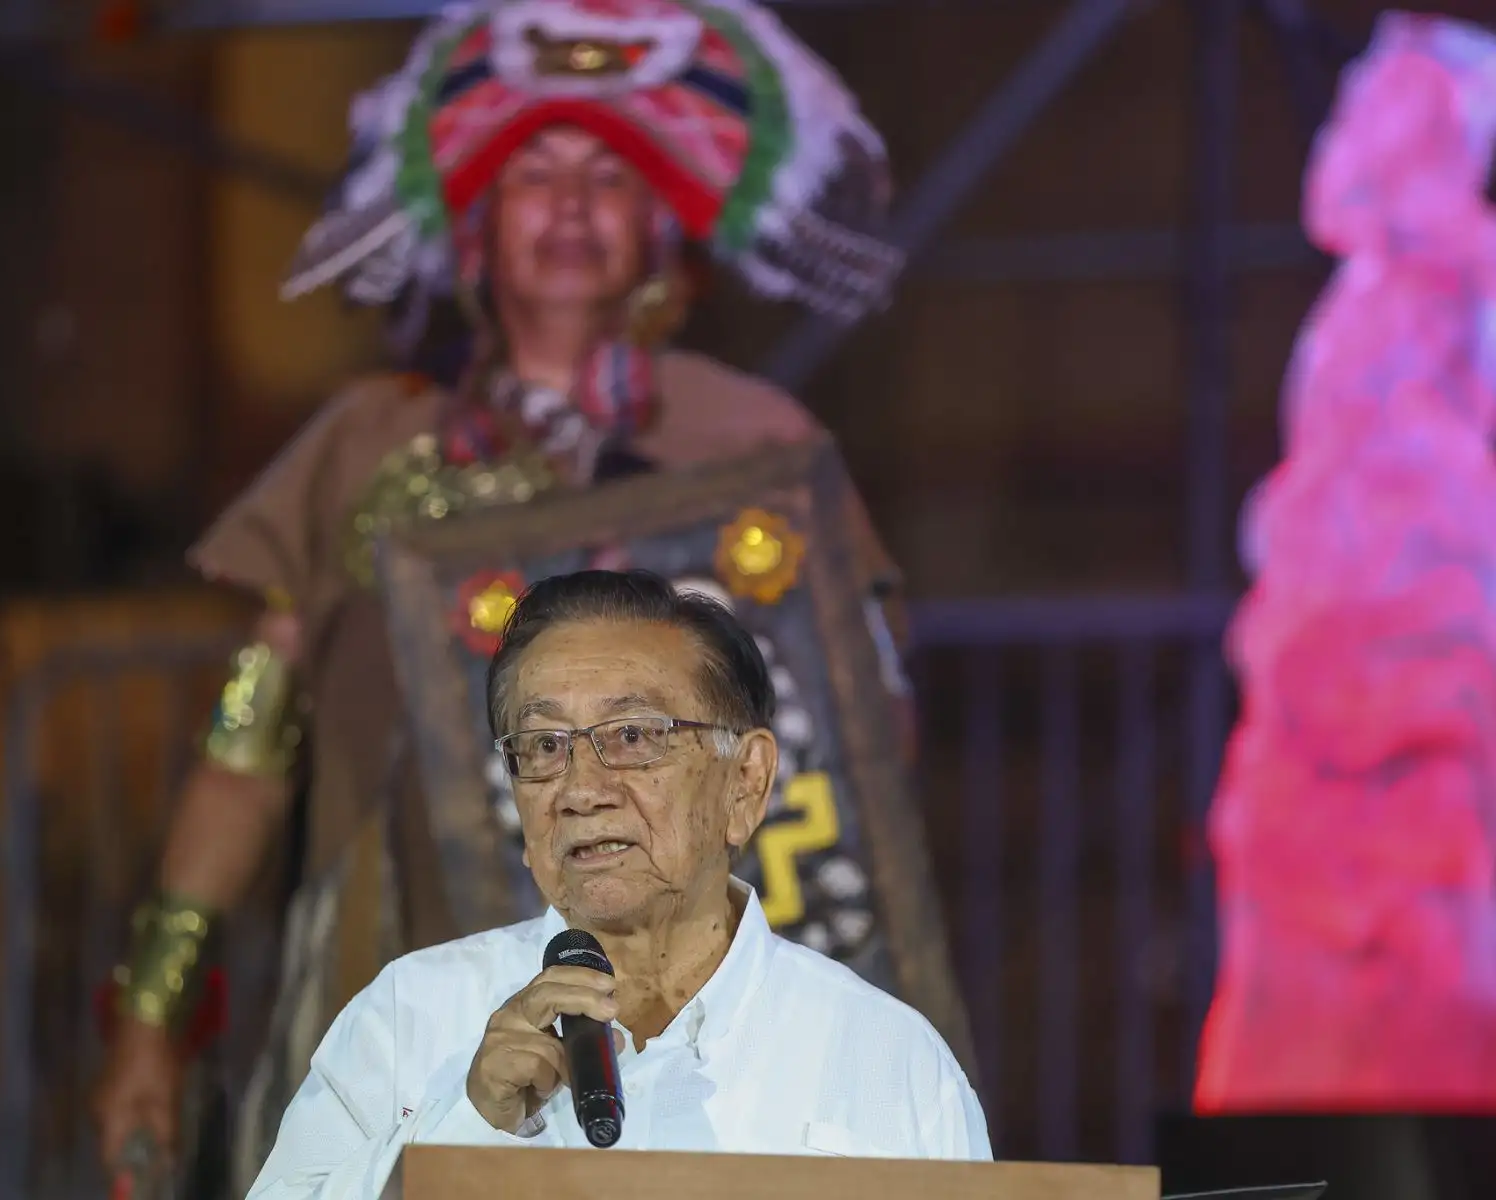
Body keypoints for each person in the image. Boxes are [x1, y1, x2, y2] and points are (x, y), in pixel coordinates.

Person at [92, 0, 917, 1187]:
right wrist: (150, 1012)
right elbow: (247, 749)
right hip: (399, 973)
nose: (572, 209)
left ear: (661, 226)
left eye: (609, 178)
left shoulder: (752, 446)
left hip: (689, 1033)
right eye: (535, 175)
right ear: (475, 224)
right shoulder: (366, 449)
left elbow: (863, 747)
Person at [245, 571, 989, 1200]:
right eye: (543, 746)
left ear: (747, 782)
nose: (581, 789)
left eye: (633, 737)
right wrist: (463, 1125)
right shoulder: (412, 1014)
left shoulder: (886, 1056)